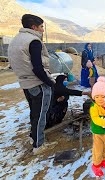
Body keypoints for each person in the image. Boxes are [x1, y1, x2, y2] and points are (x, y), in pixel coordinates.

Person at [8, 14, 56, 155]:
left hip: (25, 83)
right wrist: (50, 83)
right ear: (33, 27)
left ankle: (33, 137)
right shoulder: (34, 41)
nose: (42, 30)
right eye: (41, 27)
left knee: (34, 112)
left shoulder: (16, 40)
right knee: (41, 115)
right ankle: (38, 145)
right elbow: (37, 68)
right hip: (38, 83)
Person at [90, 76, 105, 177]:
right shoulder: (93, 107)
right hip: (98, 132)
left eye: (103, 96)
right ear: (93, 97)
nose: (99, 99)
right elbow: (96, 119)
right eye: (97, 96)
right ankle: (96, 165)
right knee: (98, 150)